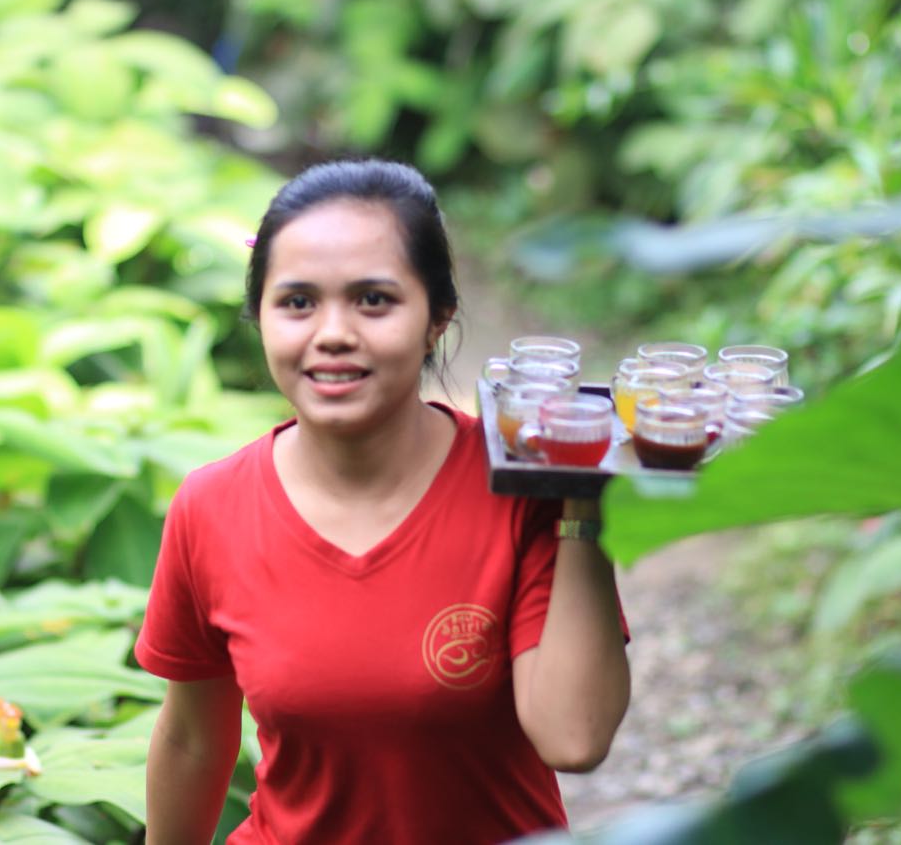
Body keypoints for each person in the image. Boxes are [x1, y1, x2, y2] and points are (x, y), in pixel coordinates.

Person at [135, 159, 630, 844]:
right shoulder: (211, 506)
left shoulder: (520, 486)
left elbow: (574, 736)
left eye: (373, 300)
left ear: (437, 319)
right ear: (261, 318)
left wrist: (583, 498)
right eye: (297, 302)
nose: (333, 332)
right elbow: (192, 739)